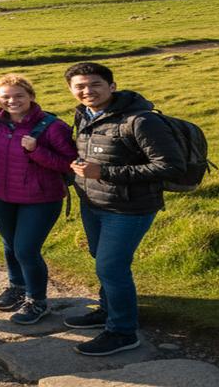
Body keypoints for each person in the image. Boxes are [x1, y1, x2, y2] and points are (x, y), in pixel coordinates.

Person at [61, 62, 184, 357]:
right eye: (80, 86)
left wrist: (103, 172)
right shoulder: (84, 115)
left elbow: (171, 166)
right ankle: (108, 311)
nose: (87, 91)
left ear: (112, 86)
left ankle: (123, 332)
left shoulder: (141, 121)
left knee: (111, 267)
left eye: (95, 84)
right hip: (93, 204)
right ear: (71, 90)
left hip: (130, 208)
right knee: (101, 260)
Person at [0, 74, 76, 324]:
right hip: (0, 195)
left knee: (26, 250)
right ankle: (17, 287)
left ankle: (37, 301)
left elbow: (70, 163)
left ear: (31, 96)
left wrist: (36, 151)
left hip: (41, 198)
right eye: (5, 96)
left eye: (19, 95)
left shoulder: (53, 126)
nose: (12, 101)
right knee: (10, 244)